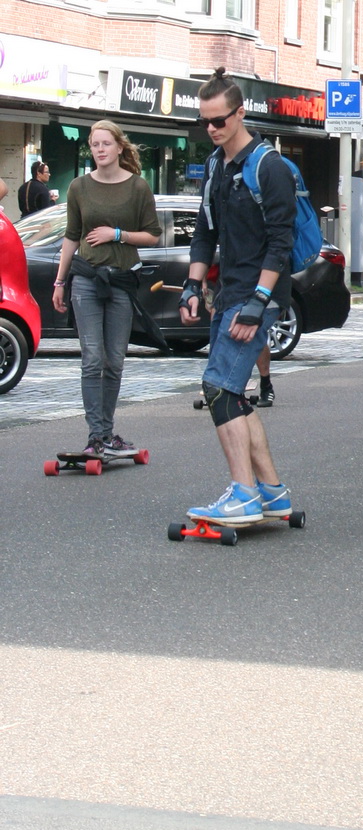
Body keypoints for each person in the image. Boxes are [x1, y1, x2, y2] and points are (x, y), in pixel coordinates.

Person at [181, 69, 297, 524]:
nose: (212, 129)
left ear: (240, 113)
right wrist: (193, 285)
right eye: (205, 121)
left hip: (257, 295)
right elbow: (204, 231)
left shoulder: (270, 167)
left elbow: (281, 243)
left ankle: (244, 494)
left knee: (218, 388)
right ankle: (272, 492)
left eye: (219, 120)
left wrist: (257, 303)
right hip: (228, 292)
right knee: (231, 392)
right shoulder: (215, 166)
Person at [53, 121, 161, 460]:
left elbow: (152, 236)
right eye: (95, 144)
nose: (100, 149)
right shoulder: (79, 187)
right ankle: (96, 437)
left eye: (106, 143)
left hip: (121, 281)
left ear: (119, 147)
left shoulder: (138, 187)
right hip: (86, 279)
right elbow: (72, 236)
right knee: (92, 359)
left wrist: (117, 235)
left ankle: (107, 433)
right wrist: (60, 281)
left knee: (114, 361)